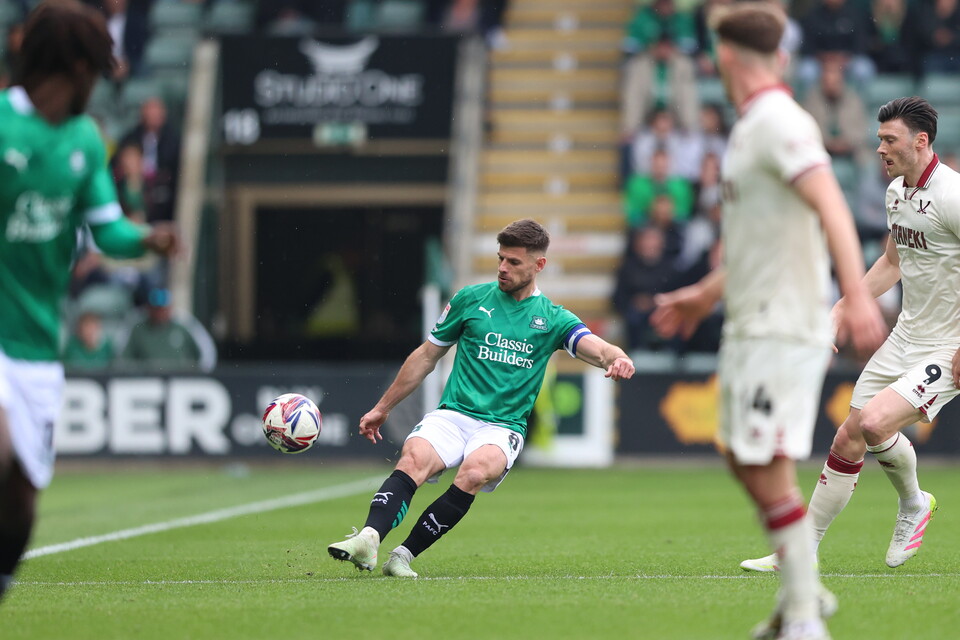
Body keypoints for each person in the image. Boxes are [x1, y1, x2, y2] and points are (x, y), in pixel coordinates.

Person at [650, 4, 886, 639]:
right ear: (777, 58)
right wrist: (705, 292)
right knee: (745, 458)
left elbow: (831, 202)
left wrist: (856, 294)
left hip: (781, 325)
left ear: (723, 60)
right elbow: (763, 240)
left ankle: (804, 616)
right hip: (751, 320)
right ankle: (801, 593)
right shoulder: (754, 125)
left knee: (768, 463)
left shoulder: (779, 121)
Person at [327, 218, 635, 578]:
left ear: (539, 266)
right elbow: (427, 355)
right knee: (413, 460)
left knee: (473, 472)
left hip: (503, 426)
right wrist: (383, 408)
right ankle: (369, 538)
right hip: (454, 413)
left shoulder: (551, 318)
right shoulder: (470, 300)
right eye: (501, 258)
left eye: (514, 262)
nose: (503, 268)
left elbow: (595, 348)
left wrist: (618, 358)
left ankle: (403, 556)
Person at [0, 0, 179, 603]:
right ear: (72, 65)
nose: (103, 81)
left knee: (19, 505)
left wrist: (148, 237)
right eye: (97, 69)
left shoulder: (83, 139)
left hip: (34, 343)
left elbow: (108, 230)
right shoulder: (1, 124)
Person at [740, 97, 957, 576]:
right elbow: (893, 262)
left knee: (876, 423)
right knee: (848, 438)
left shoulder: (952, 196)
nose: (880, 149)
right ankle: (800, 551)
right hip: (906, 336)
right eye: (879, 139)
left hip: (949, 344)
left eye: (889, 140)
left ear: (920, 142)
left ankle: (914, 503)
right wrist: (843, 305)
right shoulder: (898, 192)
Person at [118, 287, 217, 373]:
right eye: (156, 309)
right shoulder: (137, 327)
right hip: (148, 382)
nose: (160, 313)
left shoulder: (184, 323)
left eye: (163, 308)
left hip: (182, 380)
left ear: (170, 307)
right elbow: (124, 360)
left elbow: (206, 354)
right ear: (149, 308)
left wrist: (198, 374)